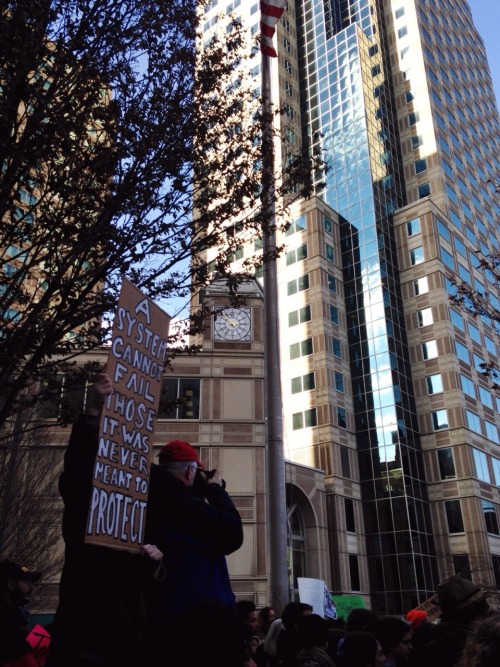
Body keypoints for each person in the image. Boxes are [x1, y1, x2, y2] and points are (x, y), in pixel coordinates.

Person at [46, 374, 164, 667]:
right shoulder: (84, 519)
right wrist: (92, 413)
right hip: (84, 645)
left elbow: (147, 592)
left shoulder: (134, 528)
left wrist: (155, 564)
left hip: (126, 647)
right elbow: (77, 472)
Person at [143, 437, 243, 659]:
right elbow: (233, 533)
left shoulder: (147, 504)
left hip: (163, 623)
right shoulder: (188, 507)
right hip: (206, 626)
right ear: (191, 472)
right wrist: (215, 489)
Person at [425, 575, 490, 667]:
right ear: (477, 611)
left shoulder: (438, 644)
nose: (488, 610)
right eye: (485, 606)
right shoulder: (479, 647)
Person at [0, 559, 41, 666]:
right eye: (27, 582)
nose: (32, 587)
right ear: (10, 584)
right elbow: (18, 643)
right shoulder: (4, 617)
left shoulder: (16, 614)